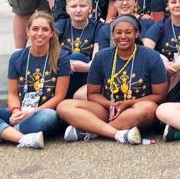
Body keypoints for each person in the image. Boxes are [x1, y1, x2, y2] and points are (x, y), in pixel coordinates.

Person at [58, 15, 169, 144]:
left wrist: (128, 103)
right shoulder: (101, 56)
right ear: (112, 34)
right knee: (63, 106)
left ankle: (93, 130)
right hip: (109, 108)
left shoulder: (151, 56)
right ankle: (116, 133)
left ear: (137, 33)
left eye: (128, 32)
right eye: (118, 32)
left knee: (148, 108)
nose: (123, 36)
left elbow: (160, 95)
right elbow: (92, 94)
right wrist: (109, 104)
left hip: (135, 108)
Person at [0, 11, 70, 149]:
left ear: (52, 33)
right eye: (35, 29)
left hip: (42, 112)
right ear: (27, 31)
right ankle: (23, 138)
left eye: (45, 29)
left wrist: (32, 112)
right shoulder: (17, 58)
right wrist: (16, 111)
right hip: (20, 112)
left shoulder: (61, 57)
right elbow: (12, 93)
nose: (39, 33)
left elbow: (59, 96)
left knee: (49, 116)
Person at [55, 0, 102, 95]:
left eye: (83, 6)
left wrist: (86, 67)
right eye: (73, 6)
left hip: (88, 73)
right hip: (64, 70)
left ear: (90, 8)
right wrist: (66, 64)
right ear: (67, 9)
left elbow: (96, 58)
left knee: (77, 57)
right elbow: (52, 52)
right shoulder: (61, 25)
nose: (78, 10)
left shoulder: (98, 27)